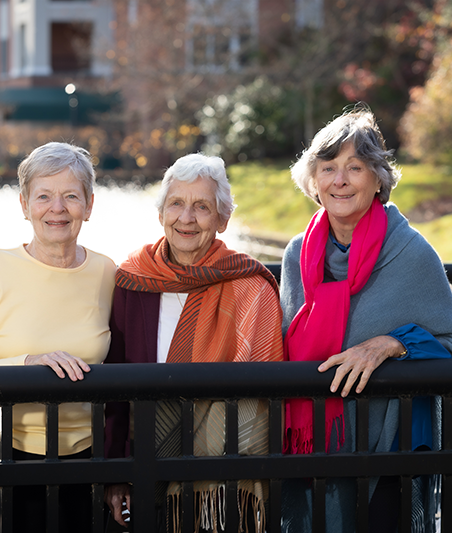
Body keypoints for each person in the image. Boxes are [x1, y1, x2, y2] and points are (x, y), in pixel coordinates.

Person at [279, 106, 452, 533]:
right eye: (328, 168)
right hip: (312, 446)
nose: (340, 180)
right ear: (313, 182)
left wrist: (393, 342)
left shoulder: (410, 250)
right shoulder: (297, 254)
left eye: (355, 167)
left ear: (378, 179)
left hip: (391, 447)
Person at [0, 141, 116, 532]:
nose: (58, 208)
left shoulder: (107, 272)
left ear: (89, 206)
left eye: (71, 196)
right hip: (4, 455)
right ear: (24, 205)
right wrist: (28, 365)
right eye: (44, 196)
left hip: (88, 458)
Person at [103, 153, 283, 533]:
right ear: (160, 213)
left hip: (226, 476)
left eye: (202, 206)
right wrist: (116, 474)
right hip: (145, 466)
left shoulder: (251, 287)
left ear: (223, 219)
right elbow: (115, 389)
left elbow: (264, 395)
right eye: (176, 204)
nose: (186, 218)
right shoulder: (132, 281)